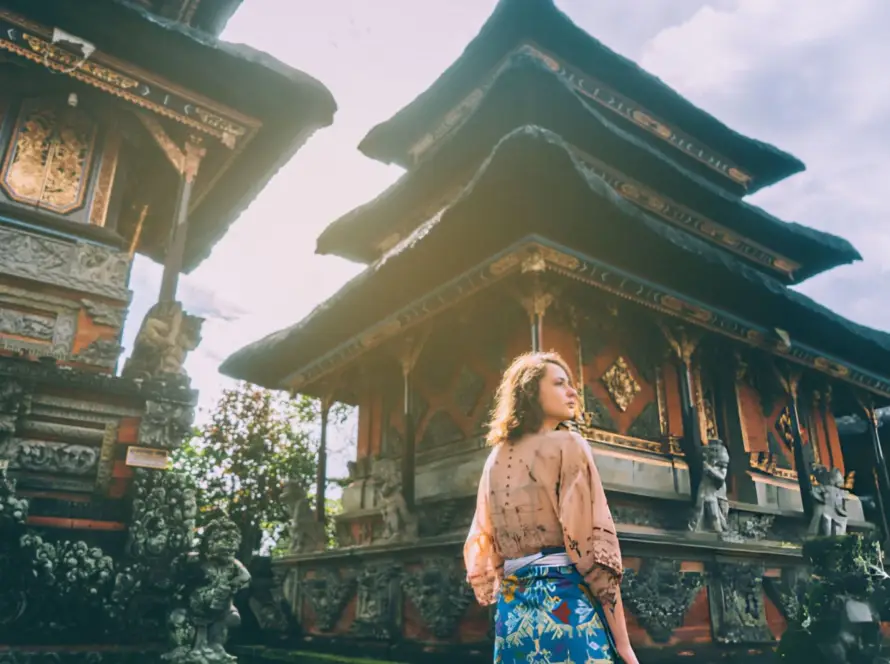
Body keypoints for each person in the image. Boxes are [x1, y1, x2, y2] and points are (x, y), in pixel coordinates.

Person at [464, 351, 639, 664]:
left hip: (512, 619)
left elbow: (486, 544)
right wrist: (624, 645)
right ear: (532, 392)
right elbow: (593, 554)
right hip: (565, 607)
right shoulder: (568, 444)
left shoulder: (495, 458)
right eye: (560, 384)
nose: (573, 392)